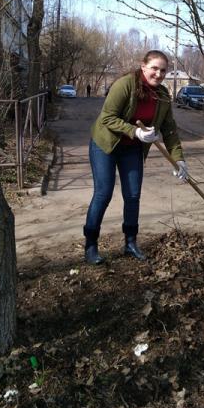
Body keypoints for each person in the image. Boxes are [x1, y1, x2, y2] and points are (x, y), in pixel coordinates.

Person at [84, 50, 188, 265]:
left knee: (132, 195)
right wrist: (135, 131)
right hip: (105, 144)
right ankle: (91, 244)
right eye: (154, 68)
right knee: (103, 193)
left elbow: (169, 130)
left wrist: (179, 159)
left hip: (131, 149)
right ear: (143, 66)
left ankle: (130, 243)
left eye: (163, 70)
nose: (158, 74)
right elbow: (107, 117)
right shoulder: (125, 85)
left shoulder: (162, 95)